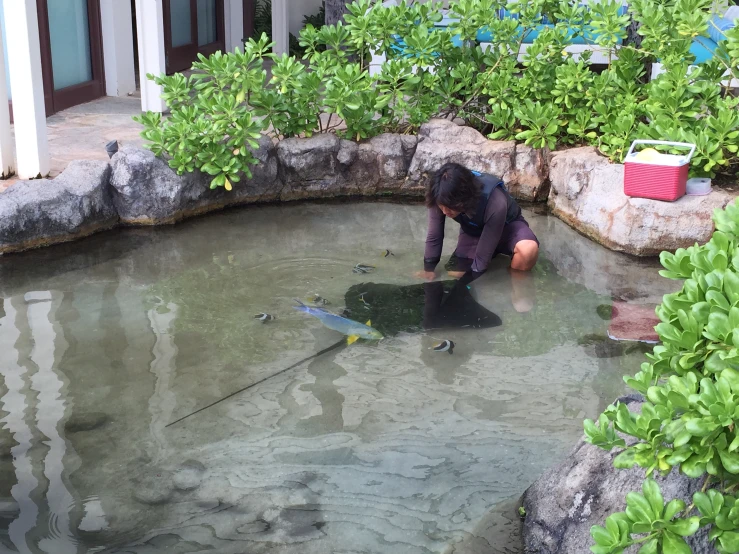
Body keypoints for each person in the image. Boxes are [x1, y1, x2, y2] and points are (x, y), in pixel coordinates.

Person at [416, 162, 539, 286]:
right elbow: (434, 235)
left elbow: (481, 260)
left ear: (464, 199)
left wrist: (473, 274)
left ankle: (511, 283)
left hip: (508, 229)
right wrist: (429, 269)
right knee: (457, 272)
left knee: (527, 250)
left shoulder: (495, 202)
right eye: (441, 206)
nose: (444, 211)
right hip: (475, 231)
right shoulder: (439, 195)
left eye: (450, 207)